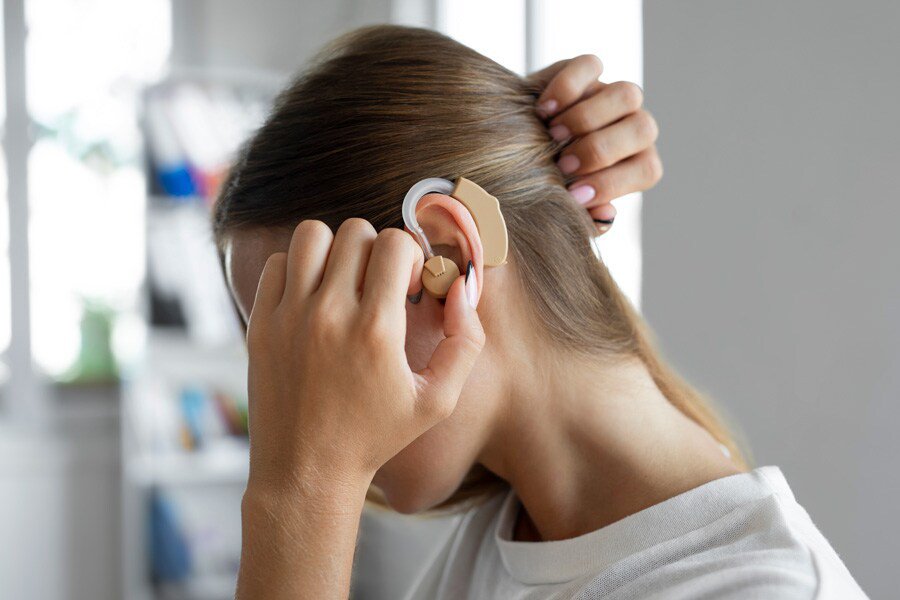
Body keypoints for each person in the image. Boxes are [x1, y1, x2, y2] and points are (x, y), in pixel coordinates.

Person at [214, 26, 866, 600]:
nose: (285, 389)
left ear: (446, 263)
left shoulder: (754, 592)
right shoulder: (508, 540)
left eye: (305, 332)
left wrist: (303, 491)